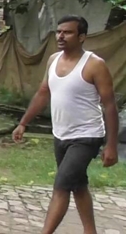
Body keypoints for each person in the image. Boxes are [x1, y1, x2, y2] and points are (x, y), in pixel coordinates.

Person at [12, 15, 119, 234]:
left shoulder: (94, 64)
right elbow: (44, 93)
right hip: (61, 135)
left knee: (61, 186)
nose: (61, 36)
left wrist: (111, 145)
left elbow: (109, 105)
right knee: (78, 185)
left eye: (67, 32)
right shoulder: (53, 60)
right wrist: (23, 123)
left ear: (81, 37)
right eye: (59, 31)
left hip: (87, 136)